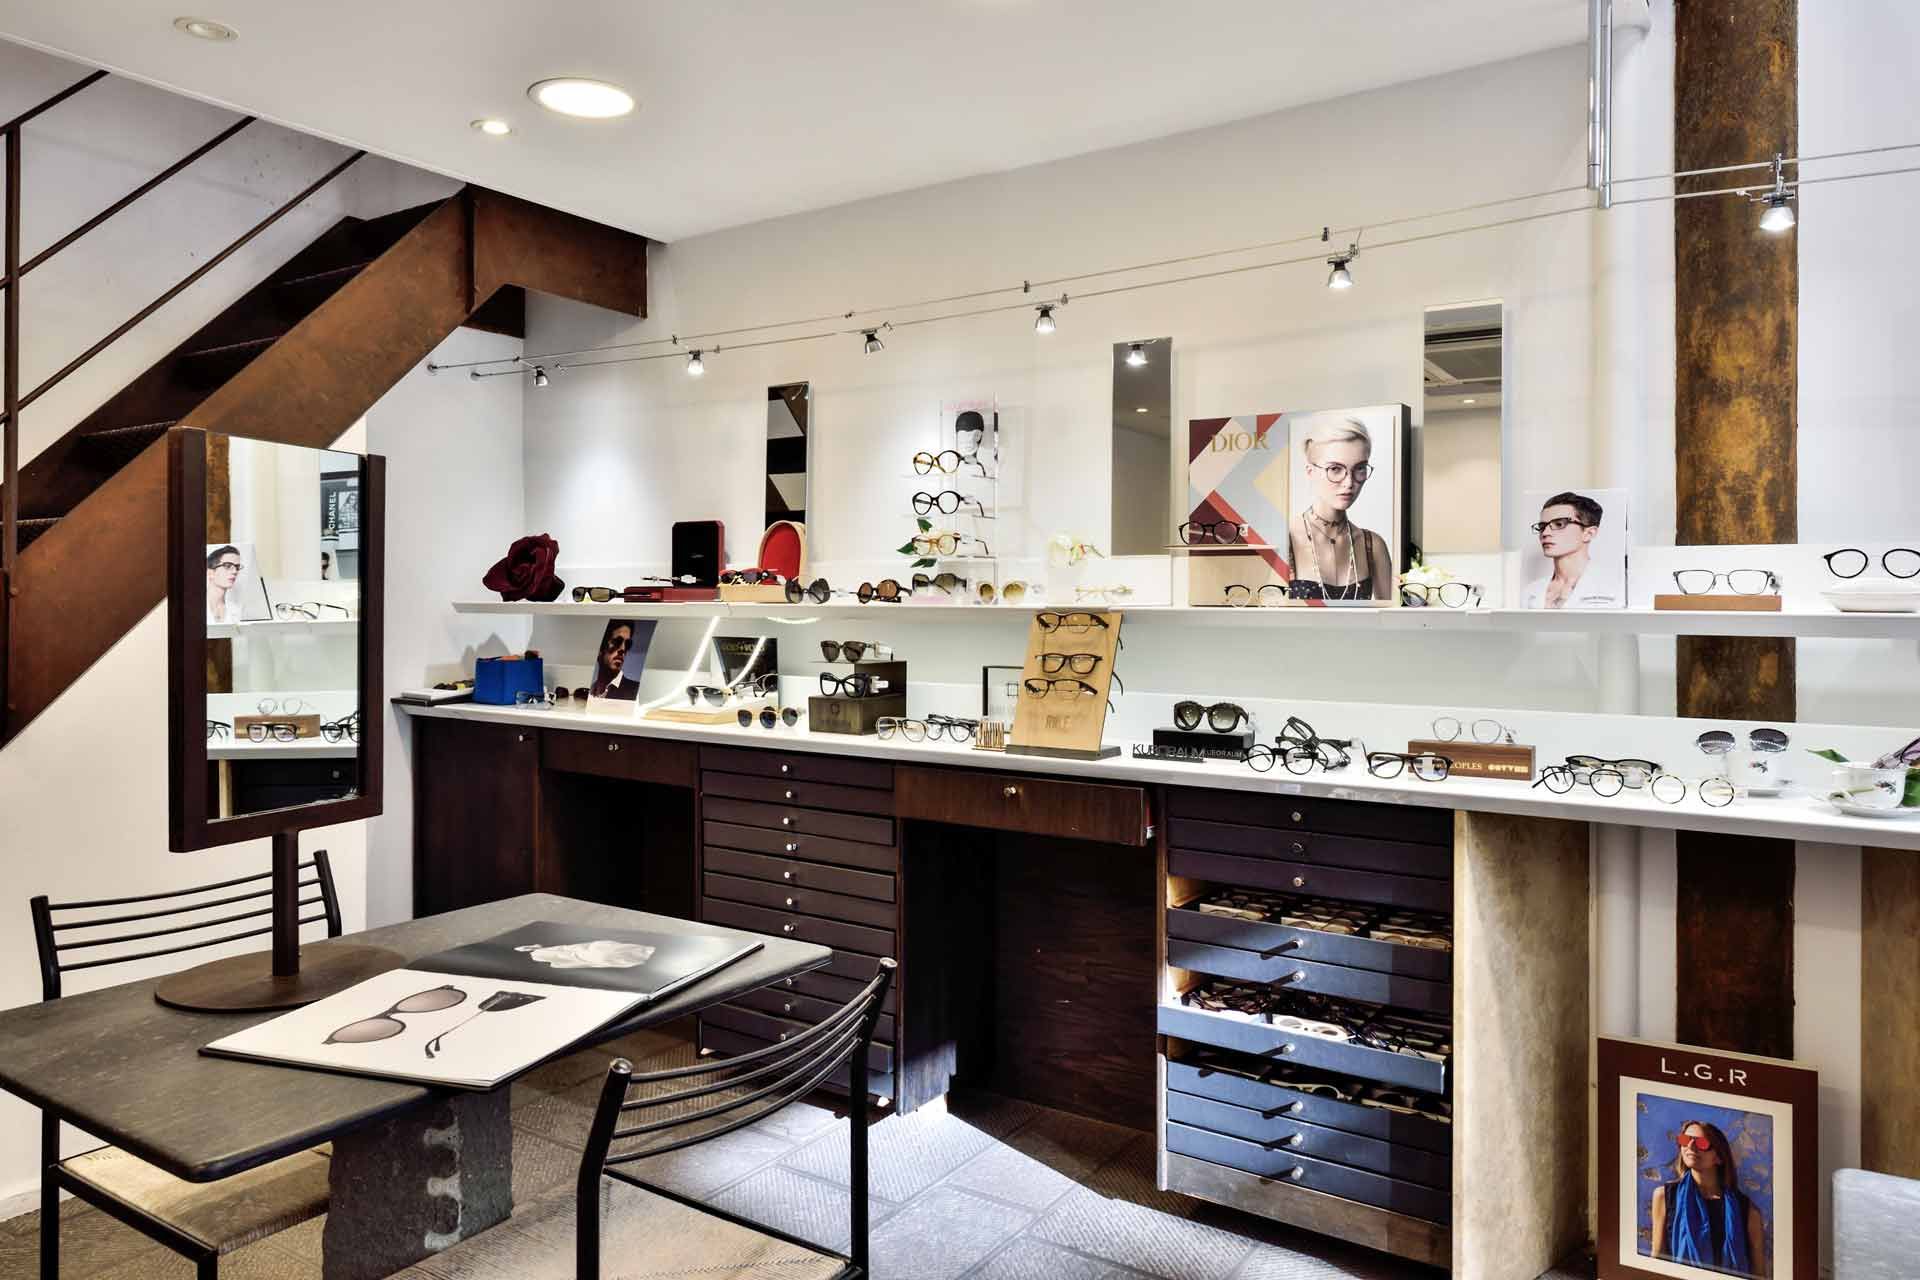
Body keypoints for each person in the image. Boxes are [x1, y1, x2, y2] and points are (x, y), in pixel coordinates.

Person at [1286, 418, 1393, 601]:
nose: (1349, 482)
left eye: (1359, 468)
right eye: (1335, 469)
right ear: (1310, 472)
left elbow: (1393, 615)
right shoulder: (1286, 537)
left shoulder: (1373, 545)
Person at [1649, 1120, 1767, 1277]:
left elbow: (1759, 1273)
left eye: (1701, 1143)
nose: (1690, 1147)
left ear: (1718, 1157)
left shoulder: (1747, 1211)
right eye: (1685, 1140)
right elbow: (1657, 1258)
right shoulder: (1664, 1196)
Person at [1522, 492, 1623, 609]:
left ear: (1589, 533)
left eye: (1559, 524)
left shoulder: (1615, 587)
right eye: (1542, 527)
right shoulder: (1530, 591)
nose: (1545, 533)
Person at [590, 621, 641, 700]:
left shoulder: (637, 692)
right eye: (617, 642)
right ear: (599, 649)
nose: (623, 649)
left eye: (627, 644)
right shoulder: (589, 690)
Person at [206, 545, 245, 623]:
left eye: (237, 567)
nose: (235, 571)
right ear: (210, 572)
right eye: (227, 566)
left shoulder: (237, 610)